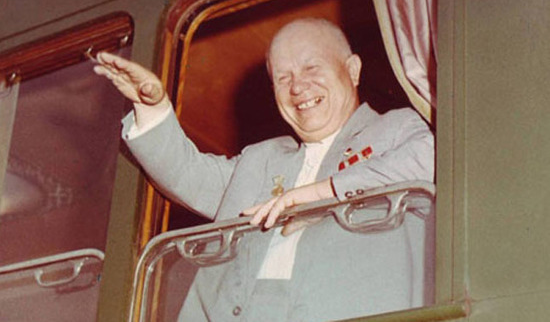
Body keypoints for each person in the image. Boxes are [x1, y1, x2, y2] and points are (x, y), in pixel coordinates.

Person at [94, 18, 434, 321]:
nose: (297, 87)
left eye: (311, 67)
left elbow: (430, 161)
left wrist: (322, 193)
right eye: (283, 78)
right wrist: (152, 107)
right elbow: (187, 173)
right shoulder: (261, 160)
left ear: (353, 70)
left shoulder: (396, 130)